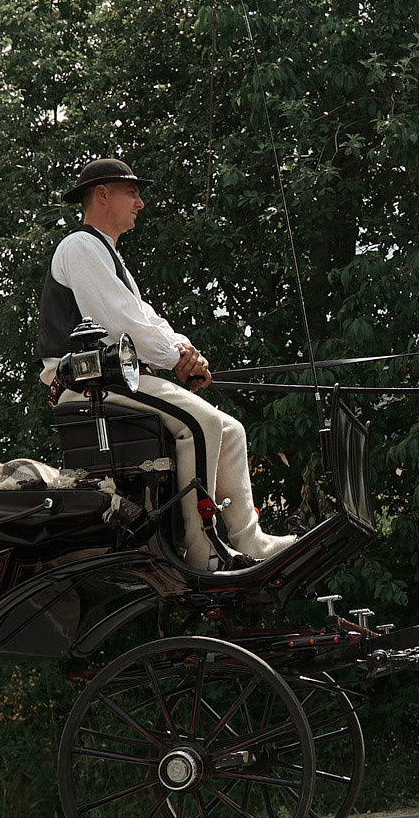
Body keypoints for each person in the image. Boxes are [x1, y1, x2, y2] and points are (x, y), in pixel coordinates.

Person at [40, 157, 297, 569]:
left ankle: (252, 540)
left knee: (230, 430)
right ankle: (202, 551)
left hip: (114, 378)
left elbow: (145, 318)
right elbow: (121, 321)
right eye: (133, 192)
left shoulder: (109, 256)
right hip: (86, 385)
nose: (140, 202)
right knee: (204, 424)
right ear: (102, 195)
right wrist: (178, 358)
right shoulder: (80, 246)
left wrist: (184, 351)